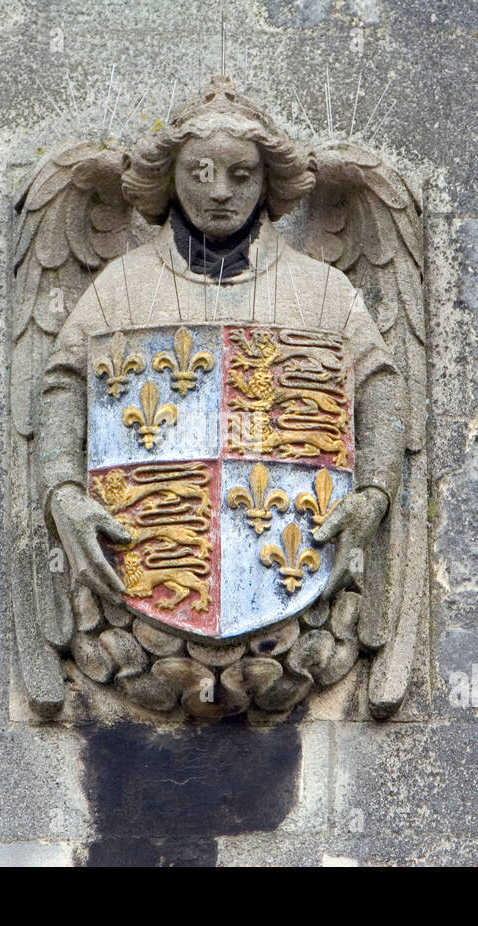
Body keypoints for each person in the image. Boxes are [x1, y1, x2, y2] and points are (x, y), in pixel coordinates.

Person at [37, 76, 406, 619]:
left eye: (241, 174)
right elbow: (63, 382)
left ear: (267, 180)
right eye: (199, 172)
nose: (218, 192)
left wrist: (372, 495)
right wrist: (63, 494)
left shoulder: (321, 290)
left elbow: (379, 384)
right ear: (170, 177)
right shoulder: (121, 288)